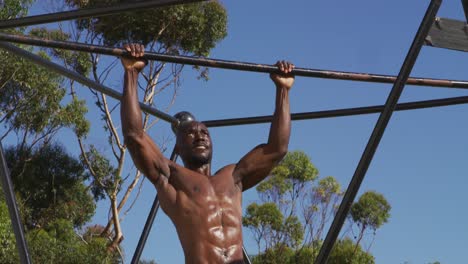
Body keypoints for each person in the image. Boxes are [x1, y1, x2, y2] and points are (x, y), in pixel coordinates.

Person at [120, 43, 294, 264]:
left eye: (204, 132)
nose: (200, 136)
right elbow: (134, 135)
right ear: (177, 147)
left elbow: (277, 148)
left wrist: (283, 89)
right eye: (191, 133)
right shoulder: (171, 177)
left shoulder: (233, 176)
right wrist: (131, 74)